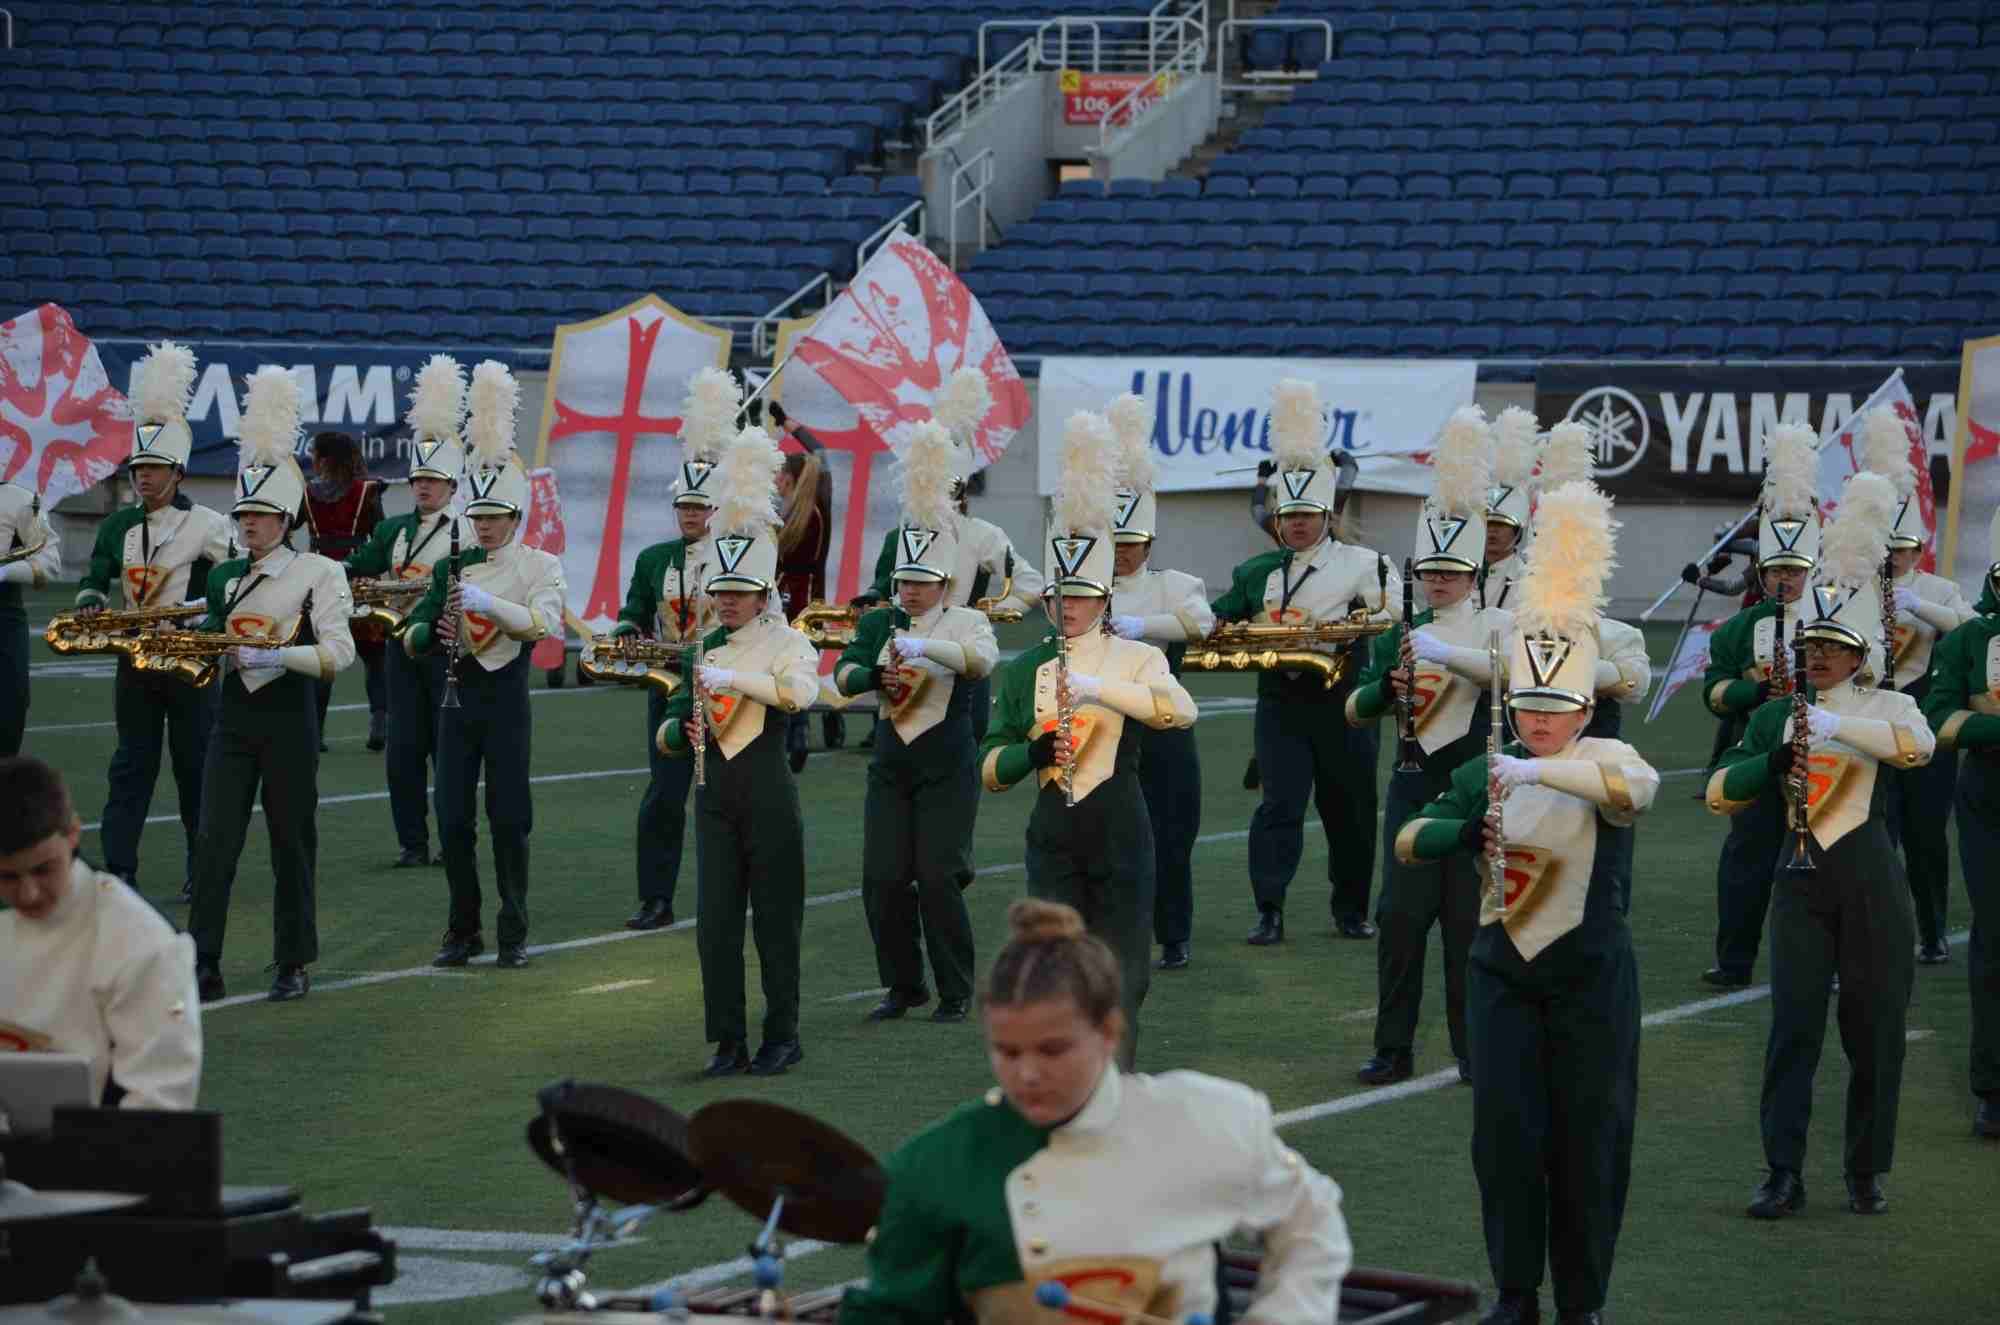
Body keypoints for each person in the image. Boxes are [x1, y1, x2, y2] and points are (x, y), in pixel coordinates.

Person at [838, 898, 1352, 1325]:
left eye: (1052, 1050)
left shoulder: (1202, 1118)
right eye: (1007, 1052)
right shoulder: (937, 1165)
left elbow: (1310, 1221)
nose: (1027, 1074)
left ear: (1109, 1032)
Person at [1398, 480, 1655, 1325]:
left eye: (1557, 708)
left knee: (1591, 1141)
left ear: (1584, 707)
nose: (1541, 721)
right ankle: (1517, 1291)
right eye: (1529, 707)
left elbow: (1634, 789)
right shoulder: (1487, 767)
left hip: (1590, 976)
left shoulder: (1603, 758)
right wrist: (1462, 828)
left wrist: (1537, 770)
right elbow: (1412, 838)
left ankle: (1583, 1300)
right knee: (1504, 1139)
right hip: (1502, 972)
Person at [1711, 471, 1934, 1220]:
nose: (1821, 657)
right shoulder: (1778, 714)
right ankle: (1783, 1171)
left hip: (1872, 880)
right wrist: (1771, 760)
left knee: (1875, 1032)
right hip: (1799, 883)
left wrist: (1839, 726)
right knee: (1793, 1031)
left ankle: (1866, 1170)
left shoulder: (1888, 703)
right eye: (1813, 644)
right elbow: (1721, 790)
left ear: (1861, 651)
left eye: (1836, 647)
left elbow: (1918, 748)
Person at [980, 410, 1197, 1070]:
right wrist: (1031, 753)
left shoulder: (1136, 656)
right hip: (1052, 834)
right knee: (1053, 978)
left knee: (1124, 977)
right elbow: (989, 766)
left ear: (1105, 598)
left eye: (1082, 596)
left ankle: (1115, 1089)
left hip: (1122, 830)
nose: (1069, 607)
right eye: (1060, 596)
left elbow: (1179, 711)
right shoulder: (1025, 669)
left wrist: (1104, 690)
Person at [1345, 405, 1507, 1086]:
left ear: (1472, 574)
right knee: (1400, 923)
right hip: (1412, 787)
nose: (1438, 581)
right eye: (1431, 571)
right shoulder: (1399, 632)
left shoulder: (1498, 623)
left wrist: (1446, 654)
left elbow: (1514, 673)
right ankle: (1393, 1046)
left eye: (1451, 572)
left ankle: (1475, 1049)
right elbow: (1355, 708)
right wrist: (1388, 688)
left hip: (1474, 788)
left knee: (1469, 927)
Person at [187, 367, 357, 1005]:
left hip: (289, 718)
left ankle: (292, 960)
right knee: (214, 843)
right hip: (232, 718)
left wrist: (278, 654)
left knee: (291, 843)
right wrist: (196, 645)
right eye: (242, 514)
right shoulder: (224, 577)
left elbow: (340, 654)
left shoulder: (319, 573)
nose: (248, 523)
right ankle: (202, 961)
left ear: (285, 518)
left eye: (259, 514)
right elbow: (215, 634)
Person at [656, 423, 821, 1077]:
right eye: (719, 591)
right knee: (716, 926)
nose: (726, 601)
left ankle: (784, 1034)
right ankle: (727, 1039)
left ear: (762, 593)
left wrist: (733, 680)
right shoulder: (701, 647)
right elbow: (671, 725)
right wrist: (682, 733)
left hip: (769, 796)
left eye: (737, 592)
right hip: (713, 797)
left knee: (776, 923)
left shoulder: (788, 642)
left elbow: (799, 694)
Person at [1212, 378, 1395, 945]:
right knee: (1279, 808)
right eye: (1288, 514)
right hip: (1281, 702)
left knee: (1351, 810)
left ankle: (1351, 910)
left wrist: (1353, 623)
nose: (1297, 523)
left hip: (1345, 702)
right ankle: (1269, 910)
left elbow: (1393, 610)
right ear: (1277, 518)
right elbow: (1215, 617)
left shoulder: (1362, 562)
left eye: (1307, 514)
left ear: (1327, 514)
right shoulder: (1256, 571)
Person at [402, 362, 565, 973]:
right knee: (451, 817)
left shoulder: (539, 566)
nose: (486, 525)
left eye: (496, 516)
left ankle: (512, 928)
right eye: (479, 516)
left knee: (509, 817)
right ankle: (462, 927)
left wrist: (486, 605)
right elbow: (414, 632)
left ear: (516, 517)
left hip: (505, 698)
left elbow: (540, 625)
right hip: (456, 699)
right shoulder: (452, 565)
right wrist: (433, 632)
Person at [837, 417, 997, 1024]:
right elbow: (843, 676)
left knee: (937, 877)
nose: (910, 591)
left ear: (945, 583)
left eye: (922, 583)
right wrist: (873, 674)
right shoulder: (881, 622)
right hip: (891, 765)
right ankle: (904, 985)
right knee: (881, 879)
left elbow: (979, 663)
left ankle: (956, 988)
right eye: (904, 581)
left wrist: (926, 648)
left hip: (947, 765)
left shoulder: (966, 622)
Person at [76, 343, 231, 901]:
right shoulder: (117, 525)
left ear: (178, 472)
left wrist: (205, 613)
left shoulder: (208, 523)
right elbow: (97, 572)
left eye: (154, 468)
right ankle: (120, 869)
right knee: (130, 767)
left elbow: (235, 580)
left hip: (188, 662)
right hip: (135, 662)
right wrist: (91, 598)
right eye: (138, 468)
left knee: (195, 769)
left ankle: (201, 868)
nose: (143, 476)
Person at [611, 365, 737, 932]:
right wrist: (626, 630)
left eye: (700, 506)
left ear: (716, 510)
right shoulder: (652, 559)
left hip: (727, 686)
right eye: (683, 506)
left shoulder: (735, 553)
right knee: (663, 796)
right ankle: (655, 898)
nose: (690, 514)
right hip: (667, 687)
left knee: (727, 796)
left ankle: (728, 893)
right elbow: (635, 609)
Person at [0, 756, 201, 1111]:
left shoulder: (142, 942)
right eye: (7, 877)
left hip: (98, 1141)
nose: (28, 894)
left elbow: (156, 1105)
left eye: (44, 870)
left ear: (73, 833)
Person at [858, 369, 1044, 745]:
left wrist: (990, 614)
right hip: (903, 652)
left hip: (961, 651)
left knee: (964, 749)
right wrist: (871, 601)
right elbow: (882, 585)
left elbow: (1031, 582)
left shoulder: (980, 534)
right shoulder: (900, 534)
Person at [1698, 422, 1821, 989]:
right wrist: (1754, 694)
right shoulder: (1739, 627)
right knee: (1745, 864)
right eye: (1776, 570)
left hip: (1824, 758)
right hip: (1755, 753)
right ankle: (1734, 961)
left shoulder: (1834, 620)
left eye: (1795, 570)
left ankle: (1823, 960)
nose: (1785, 579)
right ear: (1763, 573)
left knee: (1823, 867)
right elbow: (1715, 691)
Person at [341, 356, 469, 870]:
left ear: (452, 485)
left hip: (447, 650)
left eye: (433, 480)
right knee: (403, 751)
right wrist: (339, 573)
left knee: (448, 751)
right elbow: (359, 564)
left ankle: (451, 841)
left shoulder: (466, 531)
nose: (423, 487)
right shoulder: (393, 529)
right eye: (418, 479)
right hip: (400, 649)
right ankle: (412, 842)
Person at [1104, 393, 1213, 972]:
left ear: (1148, 543)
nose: (1123, 553)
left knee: (1172, 832)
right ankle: (1116, 931)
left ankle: (1174, 934)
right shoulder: (1085, 587)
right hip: (1104, 721)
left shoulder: (1177, 583)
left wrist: (1141, 625)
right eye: (1116, 542)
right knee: (1108, 837)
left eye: (1132, 544)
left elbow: (1200, 623)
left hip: (1162, 717)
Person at [1861, 409, 1974, 965]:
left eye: (1906, 547)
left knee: (1927, 837)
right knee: (1874, 835)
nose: (1898, 556)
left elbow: (1970, 626)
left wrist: (1919, 605)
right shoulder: (1858, 586)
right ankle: (1879, 932)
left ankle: (1931, 931)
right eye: (1891, 547)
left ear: (1918, 548)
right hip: (1873, 717)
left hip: (1925, 716)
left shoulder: (1939, 588)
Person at [1918, 507, 2000, 1138]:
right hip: (1990, 797)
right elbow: (1939, 721)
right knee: (1995, 938)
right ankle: (1993, 1087)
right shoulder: (1971, 640)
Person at [305, 430, 388, 751]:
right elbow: (381, 535)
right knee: (375, 657)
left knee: (323, 656)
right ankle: (379, 724)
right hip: (359, 580)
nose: (312, 461)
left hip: (320, 581)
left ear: (325, 459)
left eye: (315, 455)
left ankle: (315, 732)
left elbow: (285, 526)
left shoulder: (307, 492)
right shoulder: (366, 490)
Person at [769, 398, 836, 772]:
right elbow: (821, 454)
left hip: (790, 600)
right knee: (798, 665)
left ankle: (793, 732)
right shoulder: (818, 503)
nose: (775, 480)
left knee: (782, 663)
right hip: (809, 600)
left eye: (779, 474)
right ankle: (798, 732)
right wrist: (789, 424)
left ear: (790, 478)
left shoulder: (791, 513)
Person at [0, 480, 59, 758]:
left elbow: (50, 562)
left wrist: (5, 572)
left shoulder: (20, 500)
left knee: (8, 709)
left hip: (3, 614)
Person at [1480, 404, 1537, 611]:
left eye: (1501, 525)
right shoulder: (1463, 574)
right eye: (1488, 524)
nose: (1492, 531)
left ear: (1517, 532)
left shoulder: (1530, 578)